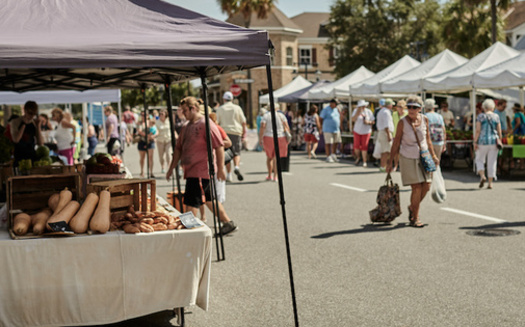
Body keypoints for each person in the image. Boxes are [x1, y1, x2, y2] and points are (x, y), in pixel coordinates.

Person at [166, 96, 238, 235]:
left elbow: (219, 146)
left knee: (191, 202)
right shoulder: (186, 126)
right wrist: (171, 168)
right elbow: (178, 149)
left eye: (185, 111)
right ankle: (228, 223)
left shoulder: (206, 124)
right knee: (210, 200)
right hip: (191, 170)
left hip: (200, 171)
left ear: (193, 109)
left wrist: (221, 169)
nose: (183, 114)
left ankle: (189, 230)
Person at [387, 95, 439, 228]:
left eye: (414, 107)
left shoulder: (425, 120)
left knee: (426, 186)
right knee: (416, 187)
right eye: (408, 107)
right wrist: (390, 161)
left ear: (420, 109)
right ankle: (415, 217)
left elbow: (427, 139)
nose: (410, 109)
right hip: (408, 157)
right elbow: (396, 142)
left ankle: (412, 207)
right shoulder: (402, 122)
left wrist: (433, 155)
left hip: (424, 156)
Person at [216, 91, 247, 182]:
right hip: (236, 132)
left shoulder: (220, 109)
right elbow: (243, 121)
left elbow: (217, 122)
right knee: (236, 152)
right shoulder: (237, 108)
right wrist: (243, 132)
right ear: (232, 99)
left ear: (223, 99)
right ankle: (236, 166)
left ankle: (229, 174)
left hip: (224, 132)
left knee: (227, 154)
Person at [474, 99, 502, 190]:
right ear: (492, 107)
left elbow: (478, 130)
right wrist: (500, 140)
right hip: (493, 141)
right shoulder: (496, 116)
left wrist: (475, 141)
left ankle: (482, 176)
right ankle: (490, 183)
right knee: (492, 161)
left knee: (479, 159)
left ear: (484, 107)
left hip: (482, 141)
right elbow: (499, 131)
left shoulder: (480, 116)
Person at [259, 103, 290, 181]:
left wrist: (260, 138)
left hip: (268, 136)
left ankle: (270, 175)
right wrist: (288, 138)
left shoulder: (266, 116)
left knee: (269, 158)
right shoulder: (281, 115)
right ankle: (276, 176)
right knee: (277, 157)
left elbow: (263, 127)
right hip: (280, 136)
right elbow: (287, 126)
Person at [9, 101, 43, 167]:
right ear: (24, 110)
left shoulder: (34, 123)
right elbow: (16, 140)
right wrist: (24, 125)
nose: (31, 116)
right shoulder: (15, 122)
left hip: (31, 156)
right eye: (30, 113)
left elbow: (40, 143)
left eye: (34, 114)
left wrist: (38, 127)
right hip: (19, 156)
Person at [351, 100, 374, 167]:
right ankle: (358, 157)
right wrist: (357, 113)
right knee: (356, 146)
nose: (362, 107)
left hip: (366, 131)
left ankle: (364, 161)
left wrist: (368, 122)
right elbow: (352, 120)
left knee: (364, 146)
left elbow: (373, 121)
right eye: (361, 106)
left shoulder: (368, 111)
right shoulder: (355, 111)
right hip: (357, 130)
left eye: (363, 106)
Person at [376, 98, 395, 171]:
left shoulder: (381, 111)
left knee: (385, 150)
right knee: (386, 151)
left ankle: (383, 166)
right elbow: (386, 125)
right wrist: (389, 134)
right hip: (385, 132)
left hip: (382, 132)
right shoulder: (386, 112)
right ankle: (383, 166)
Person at [155, 109, 173, 173]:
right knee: (161, 156)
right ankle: (162, 166)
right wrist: (155, 135)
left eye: (162, 114)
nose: (161, 115)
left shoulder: (169, 121)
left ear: (165, 115)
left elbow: (172, 130)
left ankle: (169, 167)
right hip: (160, 141)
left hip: (168, 140)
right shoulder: (157, 122)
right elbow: (156, 130)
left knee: (168, 154)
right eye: (160, 114)